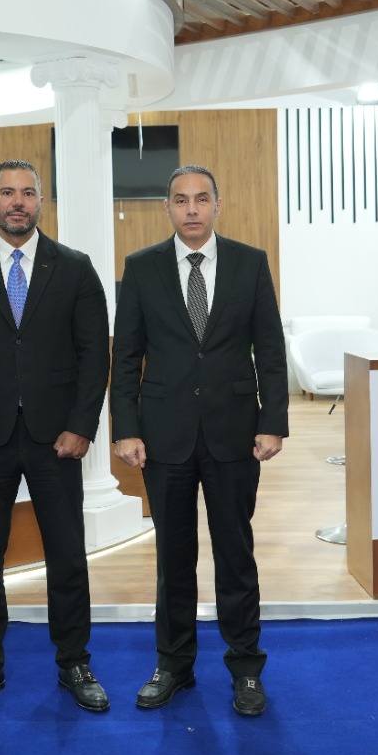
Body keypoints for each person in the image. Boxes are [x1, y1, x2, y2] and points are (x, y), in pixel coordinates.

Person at [0, 160, 111, 716]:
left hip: (57, 438)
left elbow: (94, 355)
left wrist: (82, 426)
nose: (18, 202)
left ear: (40, 203)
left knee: (67, 555)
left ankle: (74, 661)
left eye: (28, 193)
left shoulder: (74, 268)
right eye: (7, 192)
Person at [111, 164, 288, 717]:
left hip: (235, 433)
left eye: (201, 198)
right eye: (181, 200)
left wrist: (273, 420)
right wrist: (125, 427)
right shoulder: (141, 268)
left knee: (236, 555)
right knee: (174, 557)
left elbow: (270, 349)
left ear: (218, 205)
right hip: (163, 437)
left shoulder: (250, 263)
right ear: (167, 207)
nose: (191, 209)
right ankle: (174, 665)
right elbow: (126, 356)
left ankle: (246, 668)